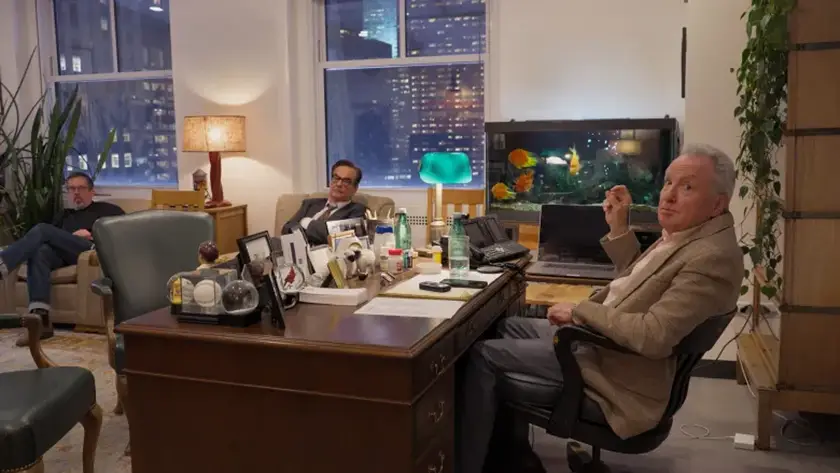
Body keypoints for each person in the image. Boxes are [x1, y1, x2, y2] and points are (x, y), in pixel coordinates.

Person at [457, 144, 744, 473]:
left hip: (618, 373)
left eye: (687, 186)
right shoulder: (692, 236)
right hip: (609, 349)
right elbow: (642, 284)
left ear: (717, 203)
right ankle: (512, 456)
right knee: (505, 326)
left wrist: (580, 312)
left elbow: (654, 335)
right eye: (668, 183)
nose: (669, 196)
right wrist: (619, 229)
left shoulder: (711, 258)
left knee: (482, 355)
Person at [0, 172, 125, 346]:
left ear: (92, 191)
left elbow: (120, 237)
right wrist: (67, 237)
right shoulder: (63, 215)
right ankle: (41, 322)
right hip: (65, 254)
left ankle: (3, 263)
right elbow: (53, 240)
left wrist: (92, 235)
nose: (75, 193)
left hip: (89, 251)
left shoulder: (108, 210)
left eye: (80, 188)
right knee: (40, 251)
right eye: (71, 189)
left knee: (43, 230)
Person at [281, 159, 367, 246]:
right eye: (336, 178)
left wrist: (306, 223)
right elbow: (287, 228)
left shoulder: (357, 210)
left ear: (355, 188)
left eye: (346, 181)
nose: (339, 184)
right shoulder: (310, 204)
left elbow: (339, 237)